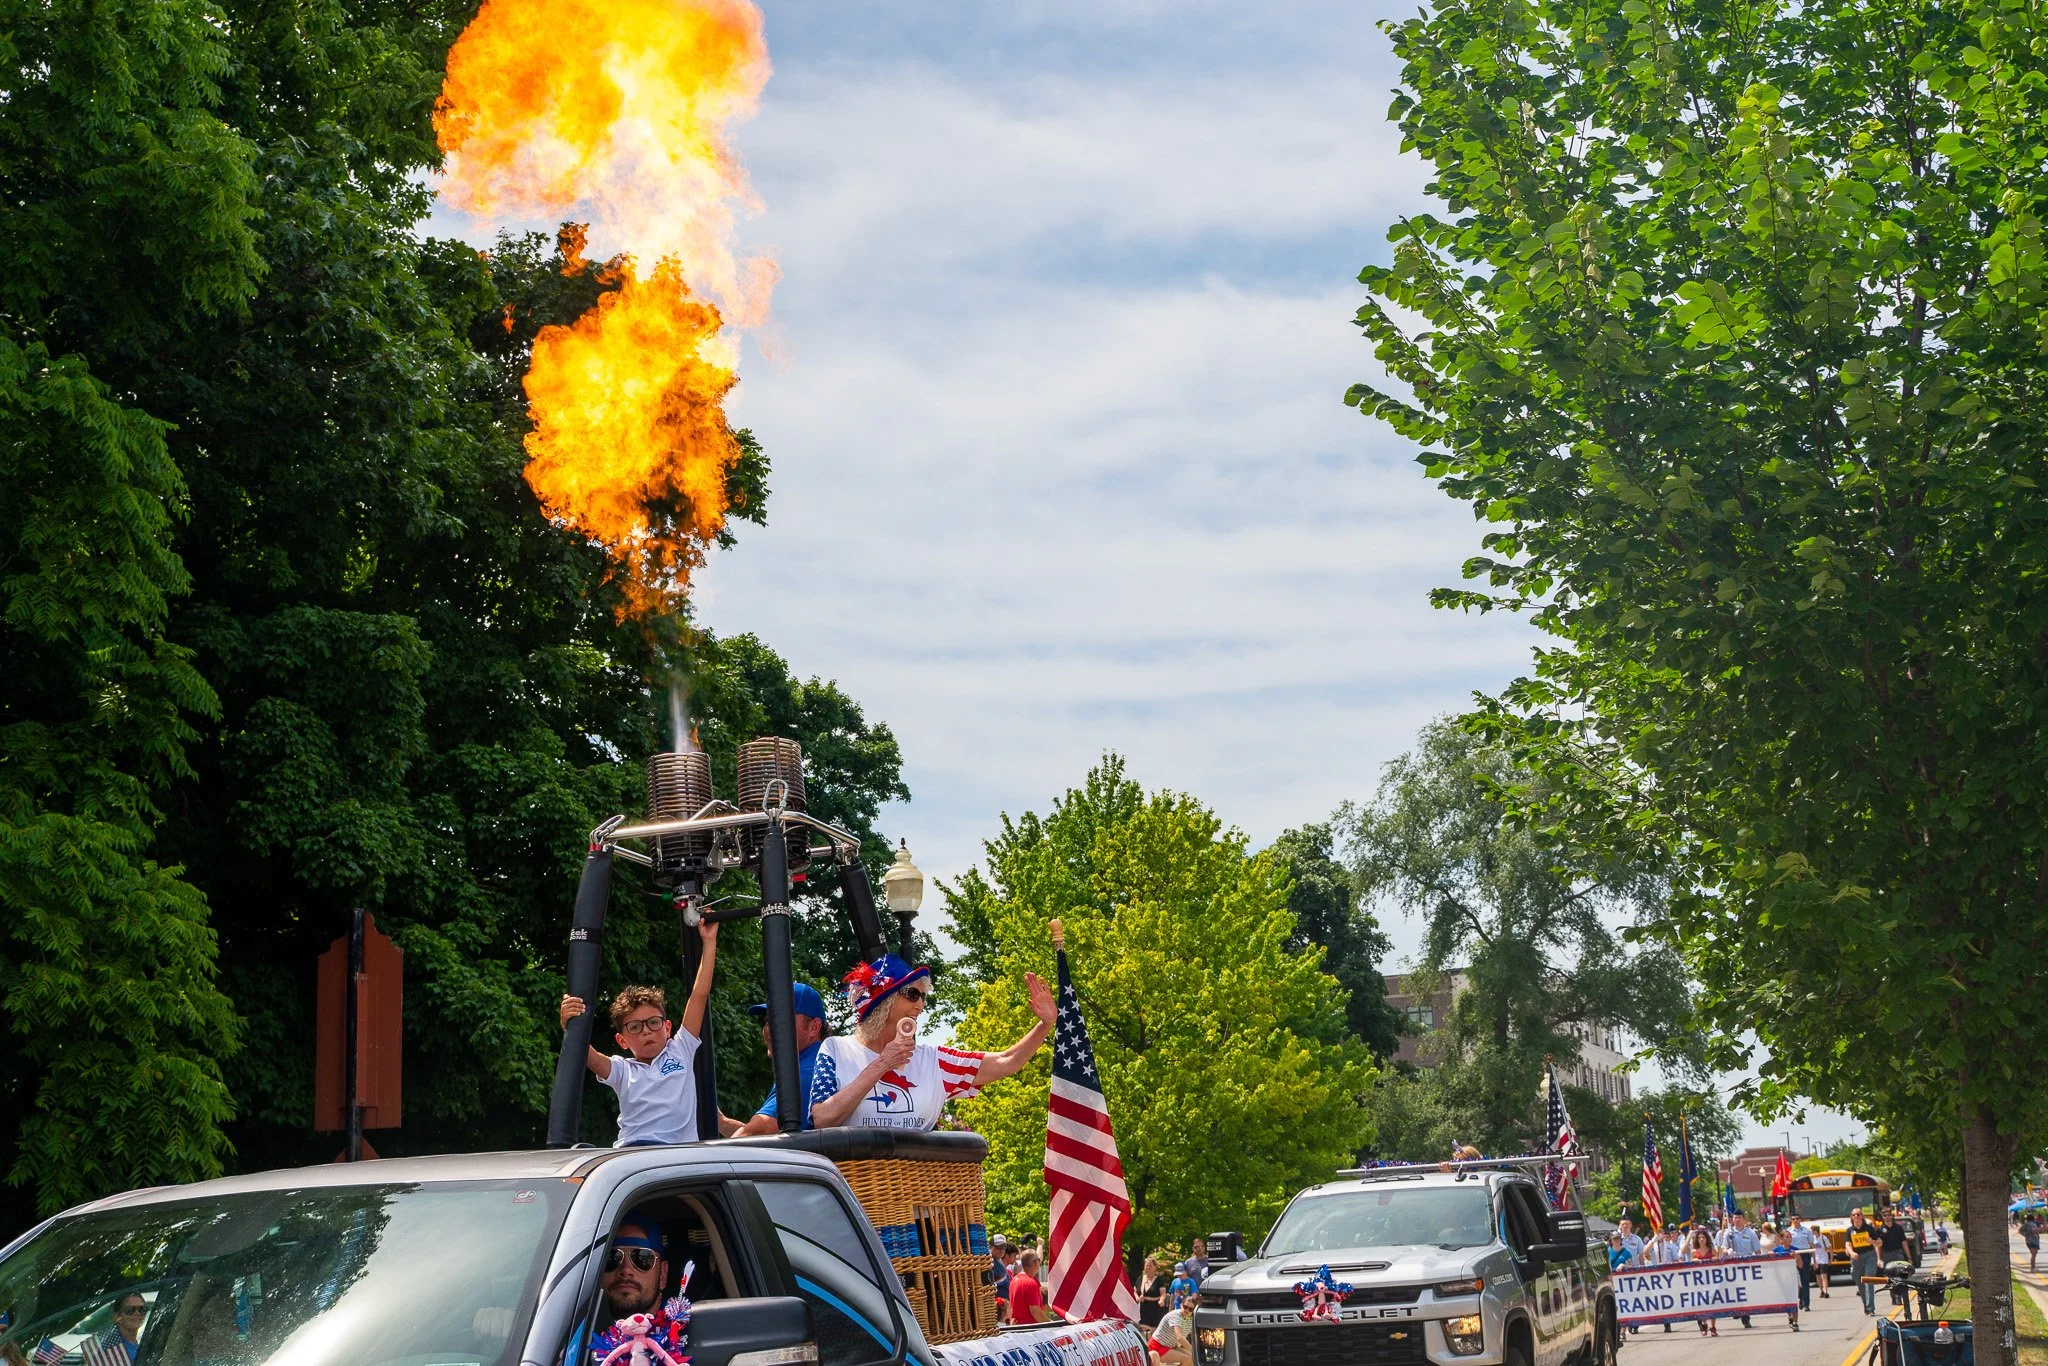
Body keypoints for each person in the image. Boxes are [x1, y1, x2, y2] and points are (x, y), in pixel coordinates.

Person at [809, 952, 1055, 1131]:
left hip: (918, 1195)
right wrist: (882, 1064)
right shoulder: (836, 1050)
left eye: (923, 996)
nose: (920, 1004)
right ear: (883, 1003)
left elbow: (1006, 1061)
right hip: (853, 1194)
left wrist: (1044, 1025)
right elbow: (823, 1118)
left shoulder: (933, 1061)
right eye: (912, 994)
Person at [560, 922, 719, 1146]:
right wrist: (569, 1025)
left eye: (653, 1023)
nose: (646, 1031)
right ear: (622, 1040)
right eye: (635, 1027)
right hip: (634, 1154)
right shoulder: (623, 1070)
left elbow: (700, 993)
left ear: (667, 1027)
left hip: (679, 1156)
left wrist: (709, 942)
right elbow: (587, 1055)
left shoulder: (680, 1049)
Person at [722, 983, 831, 1136]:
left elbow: (751, 1135)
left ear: (814, 1027)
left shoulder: (805, 1073)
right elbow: (763, 1136)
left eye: (780, 1019)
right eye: (767, 1019)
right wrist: (720, 1121)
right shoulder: (817, 1063)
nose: (768, 1029)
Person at [591, 1217, 691, 1366]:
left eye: (642, 1258)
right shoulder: (578, 1335)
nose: (626, 1270)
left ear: (662, 1274)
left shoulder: (688, 1333)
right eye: (612, 1257)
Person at [1715, 1212, 1759, 1329]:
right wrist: (1728, 1251)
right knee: (1738, 1292)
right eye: (1735, 1217)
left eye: (1739, 1217)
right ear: (1732, 1219)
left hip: (1747, 1265)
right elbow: (1723, 1249)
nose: (1737, 1219)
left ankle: (1746, 1313)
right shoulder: (1728, 1233)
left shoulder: (1751, 1233)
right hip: (1733, 1266)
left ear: (1744, 1219)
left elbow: (1757, 1251)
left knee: (1747, 1292)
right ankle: (1744, 1317)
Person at [1147, 1287, 1199, 1366]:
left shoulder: (1189, 1318)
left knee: (1191, 1358)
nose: (1187, 1310)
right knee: (1187, 1358)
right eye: (1185, 1307)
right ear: (1181, 1305)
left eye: (1190, 1309)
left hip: (1170, 1346)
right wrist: (1195, 1350)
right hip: (1157, 1346)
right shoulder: (1176, 1315)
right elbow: (1180, 1337)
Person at [1846, 1207, 1881, 1315]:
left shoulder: (1868, 1229)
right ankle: (1866, 1305)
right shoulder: (1849, 1231)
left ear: (1862, 1216)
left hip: (1870, 1256)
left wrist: (1873, 1241)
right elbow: (1847, 1244)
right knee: (1860, 1284)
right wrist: (1852, 1253)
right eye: (1854, 1215)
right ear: (1851, 1217)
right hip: (1857, 1258)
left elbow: (1879, 1243)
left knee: (1868, 1281)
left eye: (1858, 1214)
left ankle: (1871, 1308)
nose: (1856, 1216)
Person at [1688, 1229, 1721, 1337]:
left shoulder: (1712, 1250)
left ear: (1707, 1239)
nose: (1701, 1239)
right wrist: (1694, 1260)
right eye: (1699, 1238)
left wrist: (1714, 1259)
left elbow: (1718, 1259)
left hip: (1711, 1280)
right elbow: (1689, 1262)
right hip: (1699, 1281)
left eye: (1703, 1237)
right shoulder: (1694, 1251)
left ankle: (1713, 1327)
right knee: (1701, 1303)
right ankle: (1703, 1323)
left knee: (1712, 1302)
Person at [1787, 1214, 1818, 1317]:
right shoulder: (1789, 1231)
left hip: (1805, 1254)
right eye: (1793, 1219)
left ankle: (1806, 1303)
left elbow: (1812, 1245)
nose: (1795, 1220)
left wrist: (1815, 1260)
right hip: (1794, 1255)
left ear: (1800, 1220)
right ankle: (1800, 1299)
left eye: (1797, 1219)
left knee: (1805, 1280)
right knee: (1795, 1280)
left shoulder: (1806, 1231)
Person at [1009, 1249, 1050, 1324]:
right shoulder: (1031, 1283)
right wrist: (1051, 1323)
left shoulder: (1014, 1280)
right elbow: (1036, 1313)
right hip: (1030, 1330)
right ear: (1035, 1262)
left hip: (1017, 1329)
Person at [1138, 1256, 1170, 1330]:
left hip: (1156, 1309)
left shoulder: (1159, 1280)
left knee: (1155, 1331)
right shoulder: (1140, 1278)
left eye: (1150, 1266)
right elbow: (1135, 1291)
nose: (1148, 1267)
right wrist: (1138, 1297)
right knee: (1144, 1330)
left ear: (1155, 1267)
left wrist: (1161, 1300)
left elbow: (1163, 1293)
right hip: (1144, 1309)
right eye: (1146, 1266)